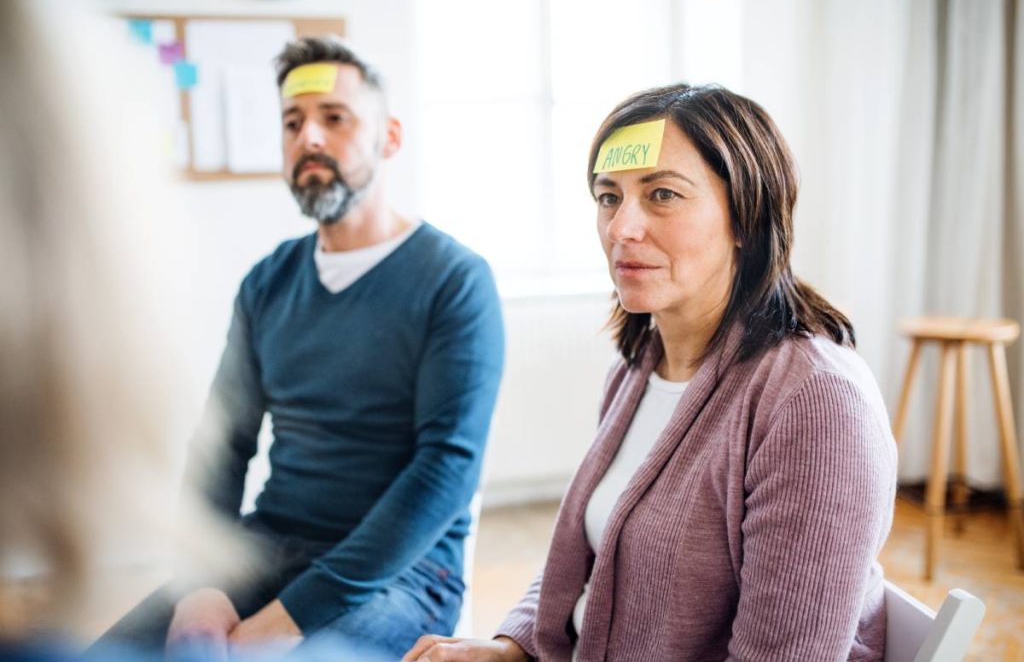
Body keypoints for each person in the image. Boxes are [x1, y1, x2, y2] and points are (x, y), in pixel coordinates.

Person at [403, 83, 898, 662]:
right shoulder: (639, 365)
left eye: (662, 194)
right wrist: (509, 646)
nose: (621, 229)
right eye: (608, 197)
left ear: (746, 215)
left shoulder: (816, 404)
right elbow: (596, 553)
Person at [96, 36, 505, 658]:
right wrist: (202, 580)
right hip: (270, 545)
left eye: (334, 118)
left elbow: (445, 469)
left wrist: (289, 619)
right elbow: (224, 442)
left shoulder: (455, 279)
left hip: (406, 575)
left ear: (388, 137)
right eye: (293, 123)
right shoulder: (267, 281)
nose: (309, 137)